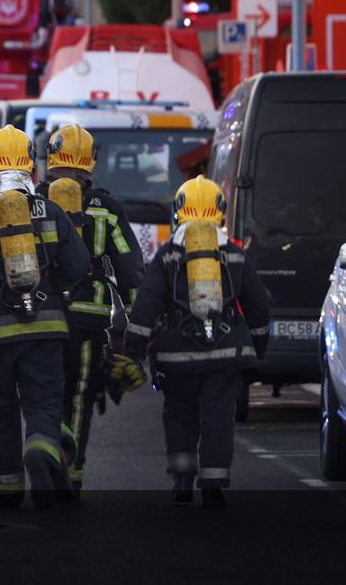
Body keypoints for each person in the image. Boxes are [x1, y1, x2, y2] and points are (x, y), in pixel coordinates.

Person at [0, 125, 91, 510]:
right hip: (47, 328)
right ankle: (41, 447)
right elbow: (78, 265)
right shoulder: (50, 210)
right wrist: (51, 288)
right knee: (44, 402)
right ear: (31, 166)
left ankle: (5, 488)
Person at [119, 175, 271, 508]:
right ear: (220, 212)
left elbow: (145, 308)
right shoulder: (235, 255)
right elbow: (259, 307)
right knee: (218, 417)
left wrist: (131, 354)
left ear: (178, 212)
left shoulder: (166, 257)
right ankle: (213, 484)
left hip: (176, 359)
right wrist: (258, 349)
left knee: (179, 415)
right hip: (225, 354)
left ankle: (182, 480)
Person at [36, 124, 144, 495]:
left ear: (50, 158)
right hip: (89, 317)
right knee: (81, 393)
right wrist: (137, 329)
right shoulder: (107, 208)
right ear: (90, 162)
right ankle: (73, 472)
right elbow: (130, 269)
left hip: (42, 316)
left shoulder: (33, 201)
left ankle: (51, 441)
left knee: (45, 391)